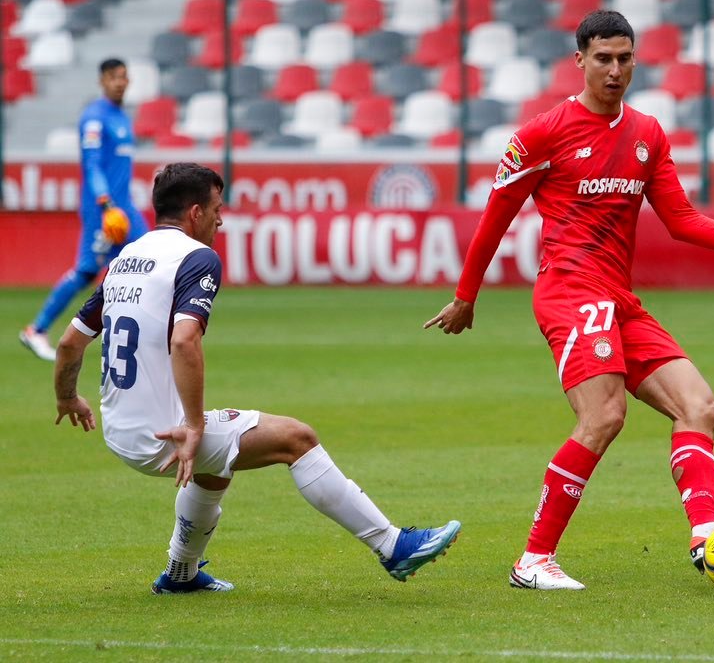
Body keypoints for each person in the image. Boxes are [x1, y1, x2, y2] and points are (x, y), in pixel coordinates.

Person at [424, 11, 714, 591]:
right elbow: (495, 218)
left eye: (624, 58)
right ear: (578, 60)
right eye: (603, 58)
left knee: (700, 407)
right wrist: (465, 297)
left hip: (618, 298)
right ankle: (533, 561)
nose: (615, 70)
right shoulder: (543, 133)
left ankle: (706, 537)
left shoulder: (647, 134)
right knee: (605, 415)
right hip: (568, 291)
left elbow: (681, 221)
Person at [53, 162, 460, 593]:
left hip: (119, 431)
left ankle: (180, 573)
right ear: (195, 213)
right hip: (167, 435)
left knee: (218, 466)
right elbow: (185, 341)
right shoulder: (196, 258)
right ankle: (391, 545)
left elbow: (68, 344)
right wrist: (193, 426)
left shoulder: (124, 262)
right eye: (216, 208)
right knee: (296, 439)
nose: (220, 218)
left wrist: (66, 398)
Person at [21, 58, 149, 361]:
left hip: (124, 206)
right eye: (115, 77)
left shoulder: (121, 117)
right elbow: (92, 166)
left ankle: (137, 329)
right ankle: (36, 329)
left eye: (125, 76)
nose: (121, 82)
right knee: (87, 271)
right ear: (102, 80)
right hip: (103, 210)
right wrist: (105, 203)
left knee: (145, 258)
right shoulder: (94, 118)